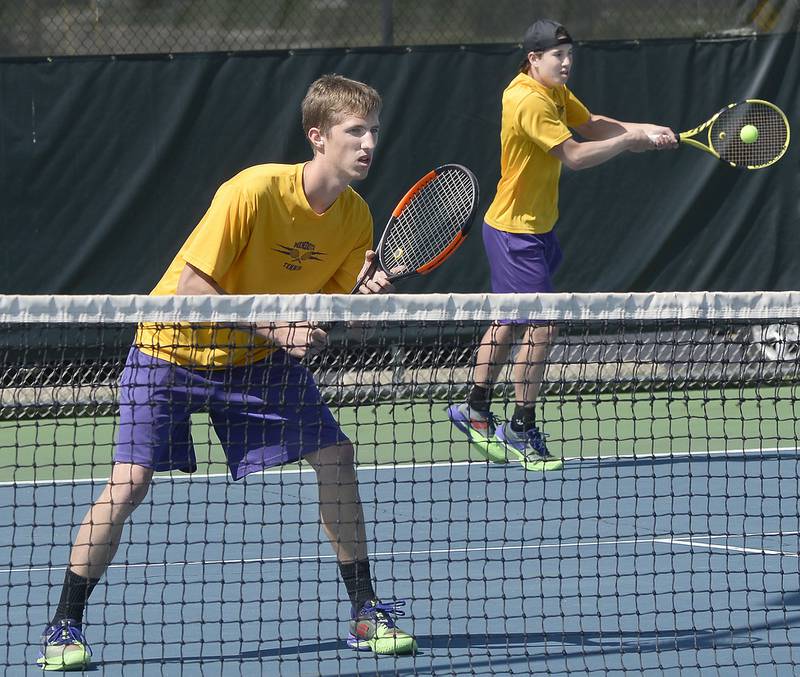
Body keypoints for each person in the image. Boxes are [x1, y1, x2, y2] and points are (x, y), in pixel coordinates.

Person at [37, 74, 417, 671]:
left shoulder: (356, 219)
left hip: (254, 361)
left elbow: (345, 321)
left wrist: (369, 297)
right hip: (172, 348)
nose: (369, 142)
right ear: (318, 137)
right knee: (131, 481)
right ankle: (65, 623)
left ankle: (366, 610)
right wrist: (281, 329)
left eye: (374, 130)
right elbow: (193, 290)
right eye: (355, 131)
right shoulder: (254, 190)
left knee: (336, 455)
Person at [448, 19, 677, 471]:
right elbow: (573, 154)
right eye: (559, 55)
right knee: (543, 324)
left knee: (510, 321)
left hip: (535, 228)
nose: (567, 62)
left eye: (570, 54)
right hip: (515, 232)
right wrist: (628, 141)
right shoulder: (526, 98)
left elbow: (590, 124)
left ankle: (474, 408)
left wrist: (641, 129)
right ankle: (518, 421)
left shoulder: (552, 91)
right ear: (534, 59)